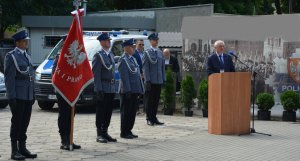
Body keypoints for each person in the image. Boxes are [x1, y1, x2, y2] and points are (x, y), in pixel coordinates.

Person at [4, 29, 37, 160]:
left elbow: (31, 75)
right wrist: (11, 96)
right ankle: (14, 150)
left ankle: (22, 148)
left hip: (27, 94)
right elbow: (9, 78)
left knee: (25, 122)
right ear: (18, 43)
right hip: (18, 95)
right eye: (24, 41)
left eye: (26, 41)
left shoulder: (26, 55)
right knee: (17, 123)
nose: (26, 43)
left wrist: (33, 93)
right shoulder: (11, 56)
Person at [52, 51, 81, 150]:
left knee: (71, 115)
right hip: (62, 91)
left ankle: (70, 139)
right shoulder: (59, 56)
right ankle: (64, 140)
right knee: (64, 115)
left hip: (72, 91)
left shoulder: (75, 56)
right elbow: (54, 74)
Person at [92, 32, 117, 143]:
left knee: (108, 111)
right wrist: (98, 88)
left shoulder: (111, 54)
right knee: (101, 111)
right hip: (103, 86)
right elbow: (96, 73)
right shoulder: (98, 56)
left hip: (111, 87)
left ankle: (105, 132)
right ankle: (99, 134)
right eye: (107, 40)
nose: (109, 42)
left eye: (109, 40)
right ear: (102, 42)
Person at [118, 38, 144, 139]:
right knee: (126, 112)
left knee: (132, 112)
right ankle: (124, 132)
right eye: (132, 47)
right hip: (127, 90)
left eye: (134, 46)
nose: (134, 48)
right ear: (126, 48)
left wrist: (139, 89)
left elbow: (137, 75)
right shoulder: (123, 60)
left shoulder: (132, 59)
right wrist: (128, 90)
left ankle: (129, 130)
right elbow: (124, 77)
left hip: (134, 90)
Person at [143, 33, 165, 126]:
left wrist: (163, 79)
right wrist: (147, 80)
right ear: (150, 41)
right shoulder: (147, 52)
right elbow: (145, 68)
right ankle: (149, 118)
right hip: (151, 81)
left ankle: (154, 117)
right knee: (149, 100)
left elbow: (162, 67)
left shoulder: (160, 52)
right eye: (154, 40)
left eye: (157, 40)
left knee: (156, 100)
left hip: (158, 80)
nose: (156, 41)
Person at [132, 39, 145, 114]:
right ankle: (136, 110)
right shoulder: (134, 53)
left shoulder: (145, 53)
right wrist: (139, 73)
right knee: (137, 93)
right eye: (140, 44)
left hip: (145, 76)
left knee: (143, 93)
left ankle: (144, 109)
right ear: (136, 45)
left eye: (142, 45)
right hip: (138, 76)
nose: (141, 46)